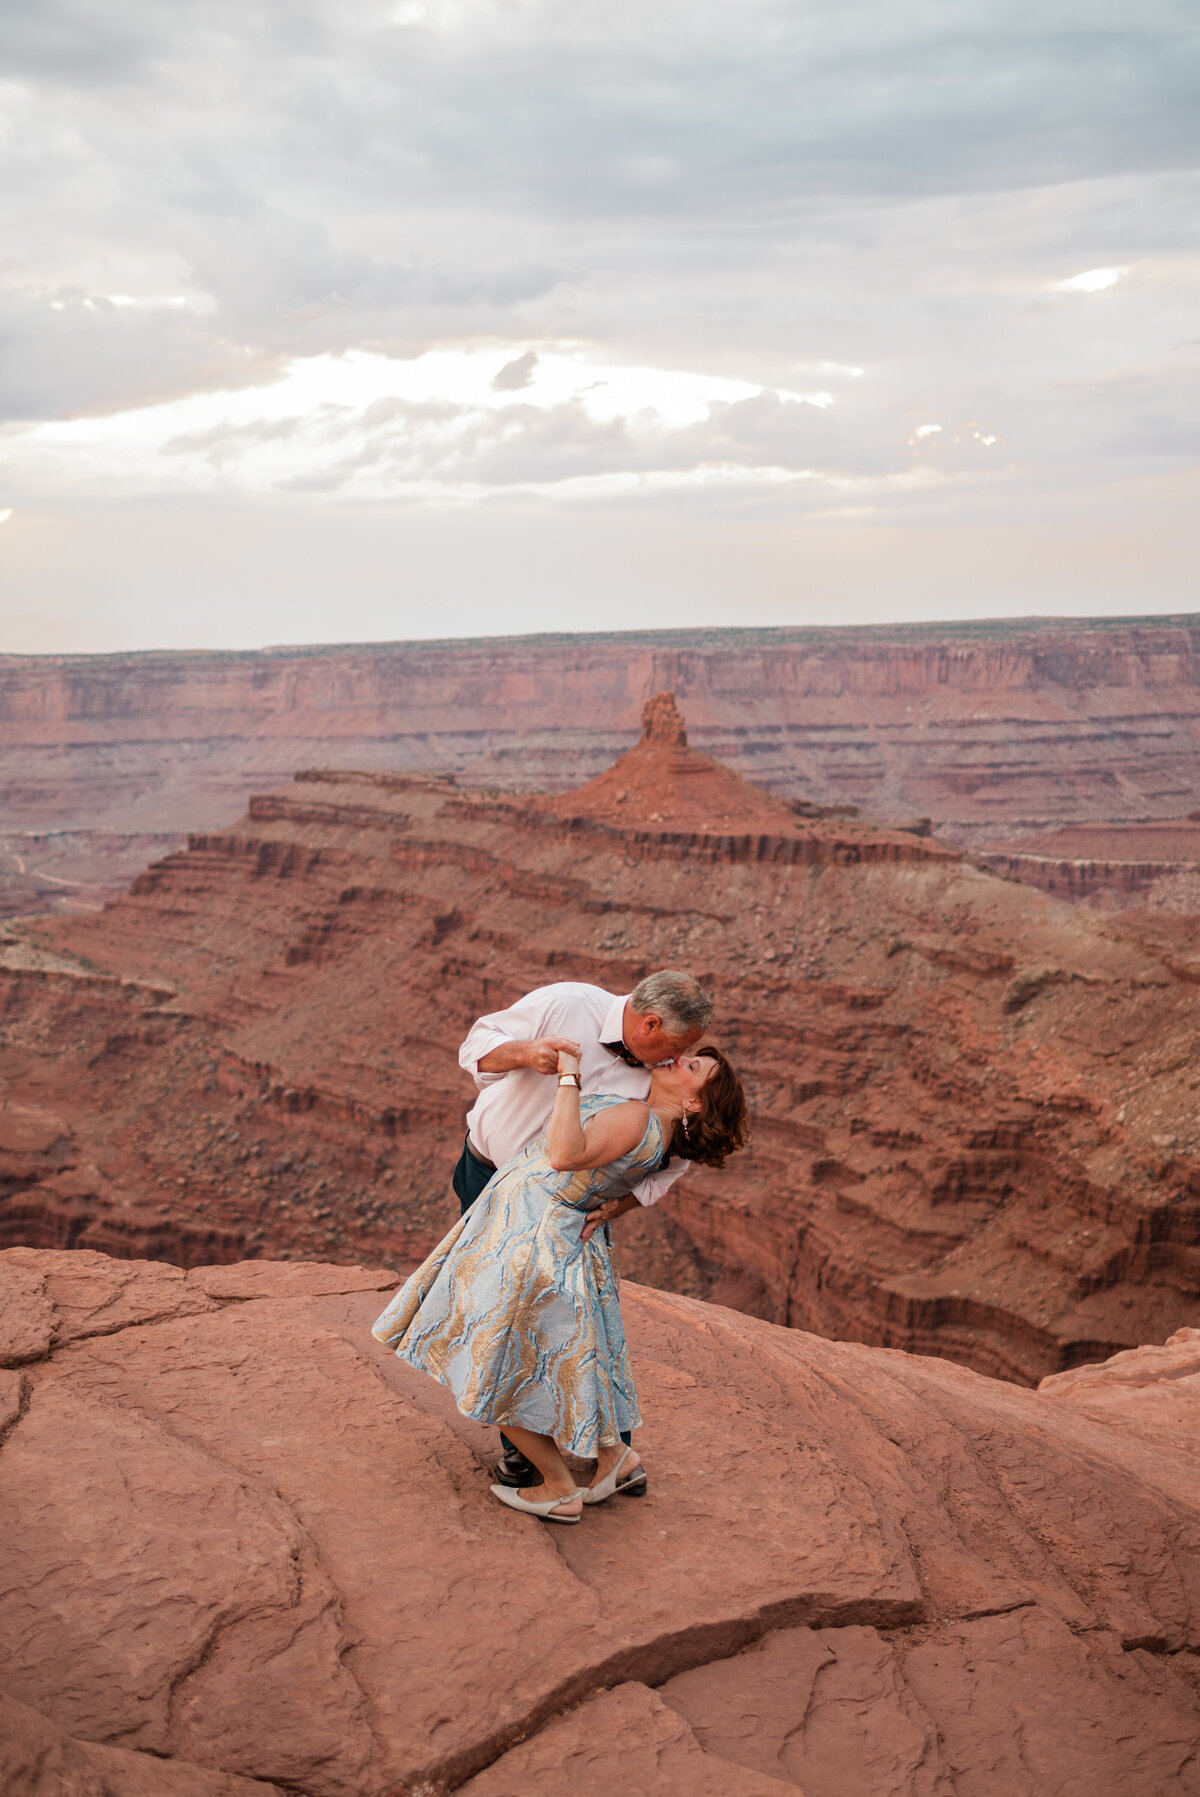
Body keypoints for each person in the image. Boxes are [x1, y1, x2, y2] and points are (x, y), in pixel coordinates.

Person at [372, 1043, 748, 1523]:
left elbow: (563, 1153)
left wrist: (568, 1077)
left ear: (694, 1102)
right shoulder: (656, 1130)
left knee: (493, 1368)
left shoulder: (638, 1118)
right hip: (539, 1231)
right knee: (536, 1360)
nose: (679, 1059)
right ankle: (617, 1461)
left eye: (692, 1067)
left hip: (527, 1239)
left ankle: (557, 1488)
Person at [453, 969, 715, 1487]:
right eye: (677, 1045)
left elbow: (683, 1148)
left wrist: (625, 1203)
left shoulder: (663, 1077)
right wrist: (526, 1053)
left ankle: (607, 1458)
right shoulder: (569, 1004)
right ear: (650, 1023)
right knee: (508, 1314)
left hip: (568, 1208)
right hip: (487, 1176)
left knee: (563, 1323)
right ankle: (533, 1452)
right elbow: (477, 1046)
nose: (676, 1058)